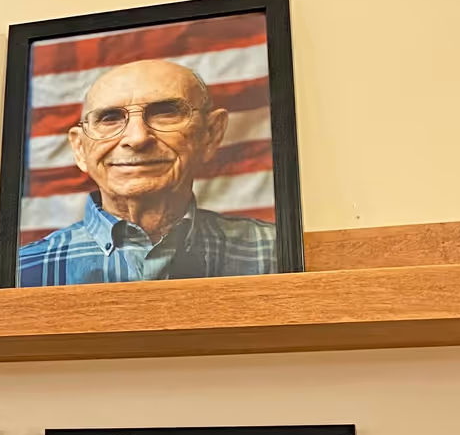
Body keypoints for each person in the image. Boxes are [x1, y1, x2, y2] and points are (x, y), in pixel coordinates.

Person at [18, 58, 276, 286]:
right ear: (79, 149)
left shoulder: (274, 252)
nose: (138, 138)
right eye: (109, 118)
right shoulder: (23, 272)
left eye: (165, 113)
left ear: (210, 135)